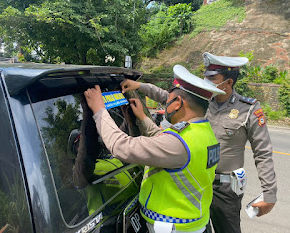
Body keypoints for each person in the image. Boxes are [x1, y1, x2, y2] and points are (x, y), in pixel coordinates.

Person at [84, 65, 225, 233]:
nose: (166, 104)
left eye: (168, 100)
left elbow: (122, 147)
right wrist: (143, 118)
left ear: (178, 103)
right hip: (193, 224)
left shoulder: (179, 143)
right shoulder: (202, 132)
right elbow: (164, 141)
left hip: (175, 228)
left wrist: (99, 110)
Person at [202, 52, 277, 233]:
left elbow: (263, 152)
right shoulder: (202, 102)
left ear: (228, 82)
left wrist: (269, 194)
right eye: (205, 76)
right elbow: (169, 97)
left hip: (226, 189)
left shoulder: (248, 109)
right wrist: (140, 85)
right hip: (199, 183)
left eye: (212, 78)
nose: (206, 81)